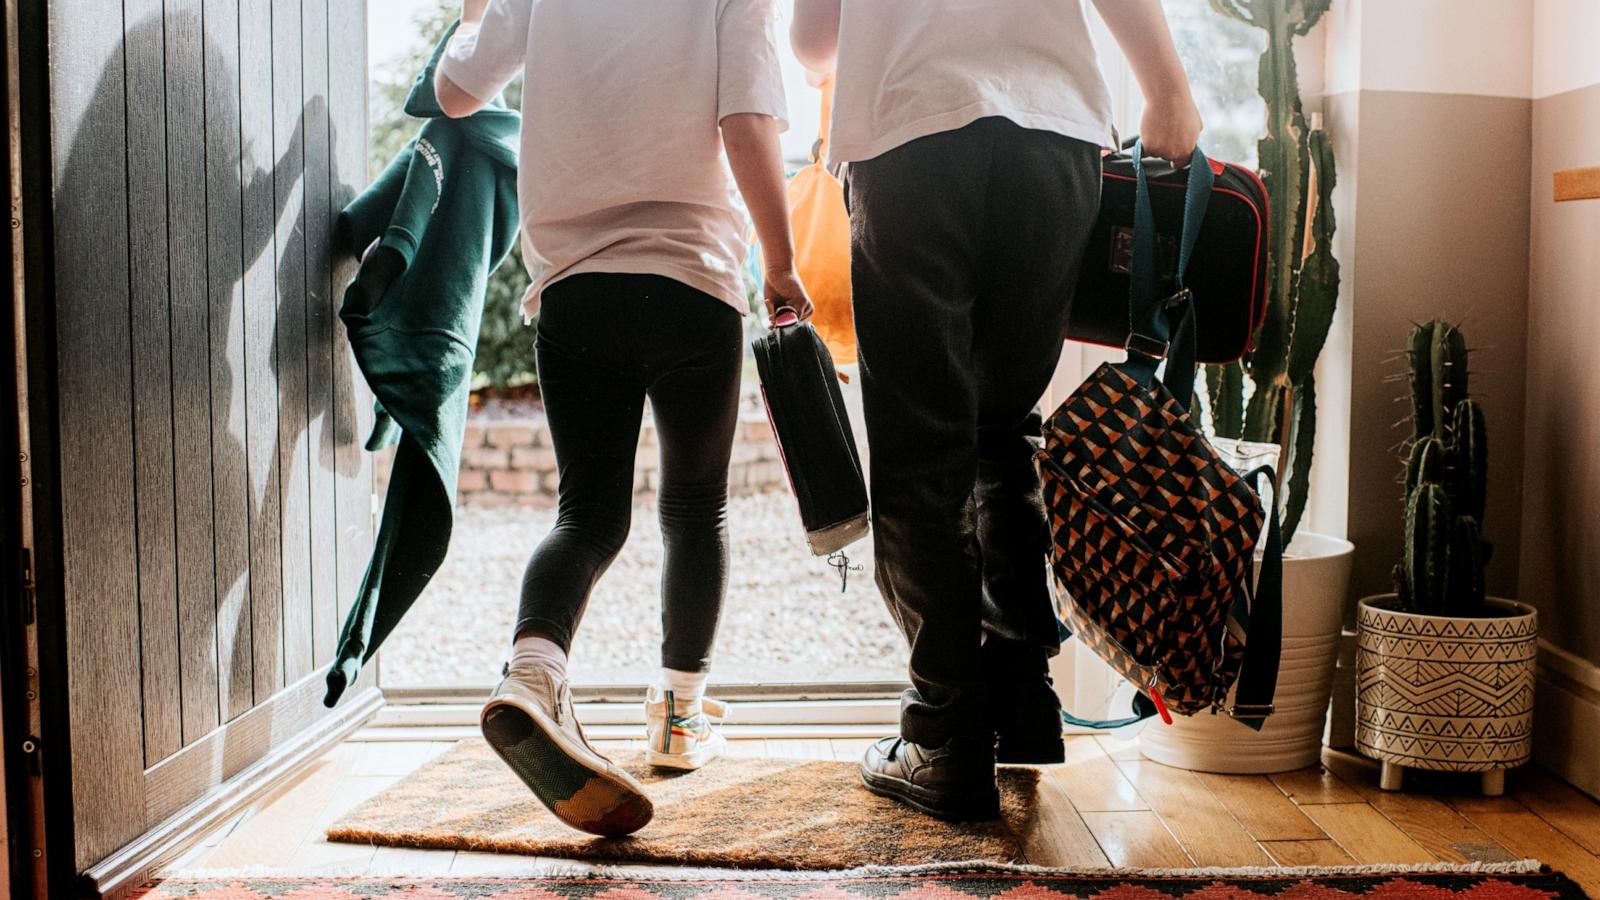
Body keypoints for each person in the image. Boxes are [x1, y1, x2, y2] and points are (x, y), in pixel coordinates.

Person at [791, 0, 1203, 821]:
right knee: (1004, 425)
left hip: (912, 134)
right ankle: (1022, 694)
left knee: (922, 452)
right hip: (1052, 139)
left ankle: (944, 733)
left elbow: (812, 44)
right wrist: (1167, 88)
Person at [436, 0, 810, 837]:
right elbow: (747, 121)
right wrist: (780, 263)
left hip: (577, 290)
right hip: (692, 284)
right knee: (695, 509)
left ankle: (531, 676)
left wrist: (473, 12)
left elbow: (455, 91)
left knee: (588, 515)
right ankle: (680, 721)